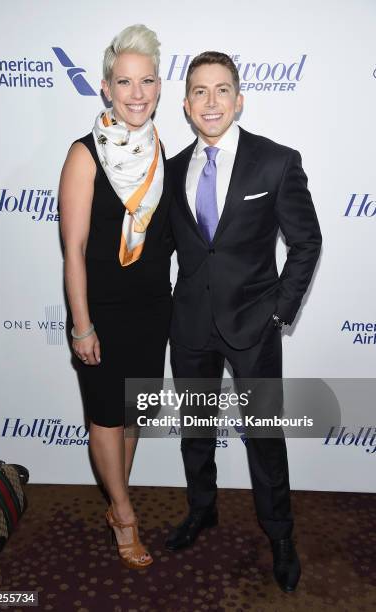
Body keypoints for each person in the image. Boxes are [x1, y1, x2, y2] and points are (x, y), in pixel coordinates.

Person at [165, 52, 322, 592]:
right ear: (186, 105)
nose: (212, 102)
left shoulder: (275, 162)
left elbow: (306, 242)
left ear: (239, 98)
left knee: (263, 435)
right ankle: (202, 510)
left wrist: (278, 312)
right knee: (195, 430)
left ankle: (279, 533)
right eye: (200, 92)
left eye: (222, 90)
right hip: (189, 326)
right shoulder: (171, 168)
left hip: (253, 326)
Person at [59, 24, 173, 569]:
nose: (136, 93)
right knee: (107, 417)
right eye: (124, 82)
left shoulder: (161, 151)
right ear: (106, 88)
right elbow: (74, 249)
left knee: (132, 416)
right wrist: (82, 324)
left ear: (158, 86)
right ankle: (124, 515)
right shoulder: (84, 155)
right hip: (100, 310)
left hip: (153, 309)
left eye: (146, 81)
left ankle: (117, 499)